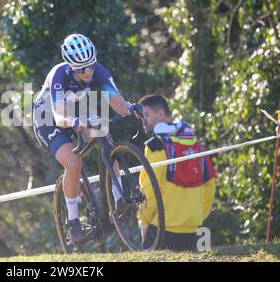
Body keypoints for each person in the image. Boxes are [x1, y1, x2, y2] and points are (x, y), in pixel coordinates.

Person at [32, 33, 142, 244]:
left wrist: (131, 108)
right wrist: (75, 124)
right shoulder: (59, 75)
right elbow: (59, 115)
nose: (88, 71)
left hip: (77, 109)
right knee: (74, 163)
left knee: (105, 137)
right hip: (49, 116)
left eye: (91, 65)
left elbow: (118, 104)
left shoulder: (98, 71)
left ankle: (119, 200)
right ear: (71, 66)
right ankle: (73, 221)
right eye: (82, 68)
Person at [137, 94, 216, 251]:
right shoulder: (194, 142)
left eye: (146, 115)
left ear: (160, 114)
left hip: (161, 228)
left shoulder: (156, 146)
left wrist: (143, 220)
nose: (143, 121)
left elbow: (149, 189)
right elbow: (210, 184)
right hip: (193, 228)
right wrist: (199, 215)